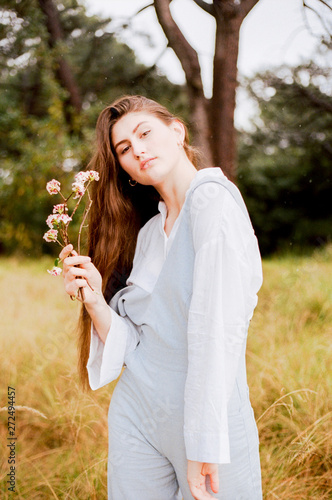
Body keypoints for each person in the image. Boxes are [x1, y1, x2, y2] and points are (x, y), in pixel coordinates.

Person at [60, 95, 263, 500]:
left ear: (177, 131)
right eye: (124, 149)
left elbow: (215, 329)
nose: (137, 150)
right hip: (137, 413)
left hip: (207, 418)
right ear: (125, 169)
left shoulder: (212, 201)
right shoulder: (150, 233)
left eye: (144, 133)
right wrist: (94, 299)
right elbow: (137, 342)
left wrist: (203, 443)